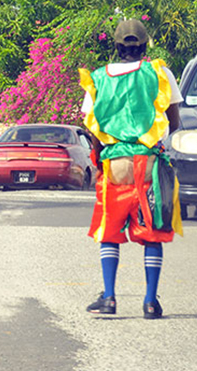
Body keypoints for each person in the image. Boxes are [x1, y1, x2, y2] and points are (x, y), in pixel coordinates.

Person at [78, 19, 183, 320]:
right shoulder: (159, 72)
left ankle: (109, 297)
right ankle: (150, 302)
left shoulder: (97, 78)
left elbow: (92, 128)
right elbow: (173, 122)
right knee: (153, 233)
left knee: (109, 232)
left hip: (115, 164)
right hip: (149, 162)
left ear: (116, 46)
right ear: (145, 45)